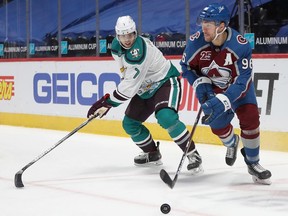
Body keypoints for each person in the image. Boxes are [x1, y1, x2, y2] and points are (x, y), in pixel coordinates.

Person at [87, 15, 203, 174]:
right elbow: (127, 76)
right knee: (130, 124)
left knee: (166, 117)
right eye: (122, 35)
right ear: (117, 35)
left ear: (135, 33)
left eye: (130, 35)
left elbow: (129, 86)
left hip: (164, 82)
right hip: (143, 88)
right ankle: (152, 153)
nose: (127, 39)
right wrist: (108, 102)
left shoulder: (139, 51)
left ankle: (192, 154)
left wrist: (107, 103)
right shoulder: (116, 47)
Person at [180, 3, 272, 184]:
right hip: (212, 89)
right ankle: (231, 143)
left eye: (209, 23)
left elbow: (243, 79)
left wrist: (225, 99)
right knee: (217, 126)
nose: (203, 27)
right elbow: (186, 67)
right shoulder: (195, 42)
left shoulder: (240, 45)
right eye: (202, 22)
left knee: (251, 119)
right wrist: (199, 83)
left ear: (221, 26)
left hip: (240, 91)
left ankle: (253, 163)